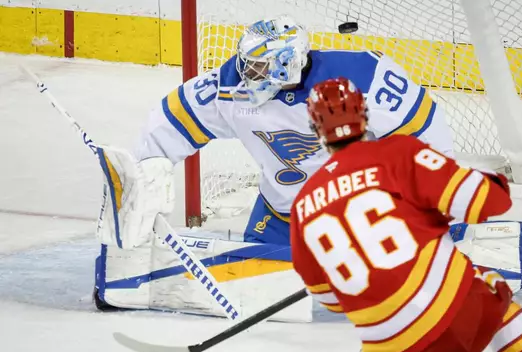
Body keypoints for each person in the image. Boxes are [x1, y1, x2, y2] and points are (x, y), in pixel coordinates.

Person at [289, 77, 522, 352]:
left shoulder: (303, 205)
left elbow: (329, 299)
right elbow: (485, 201)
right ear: (364, 115)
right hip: (461, 316)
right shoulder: (397, 153)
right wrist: (495, 183)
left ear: (315, 130)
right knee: (494, 292)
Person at [98, 14, 455, 251]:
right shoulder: (229, 88)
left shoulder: (361, 78)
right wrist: (145, 173)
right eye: (246, 63)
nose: (244, 73)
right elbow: (171, 118)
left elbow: (425, 130)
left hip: (364, 215)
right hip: (284, 215)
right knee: (253, 276)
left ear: (288, 64)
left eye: (257, 67)